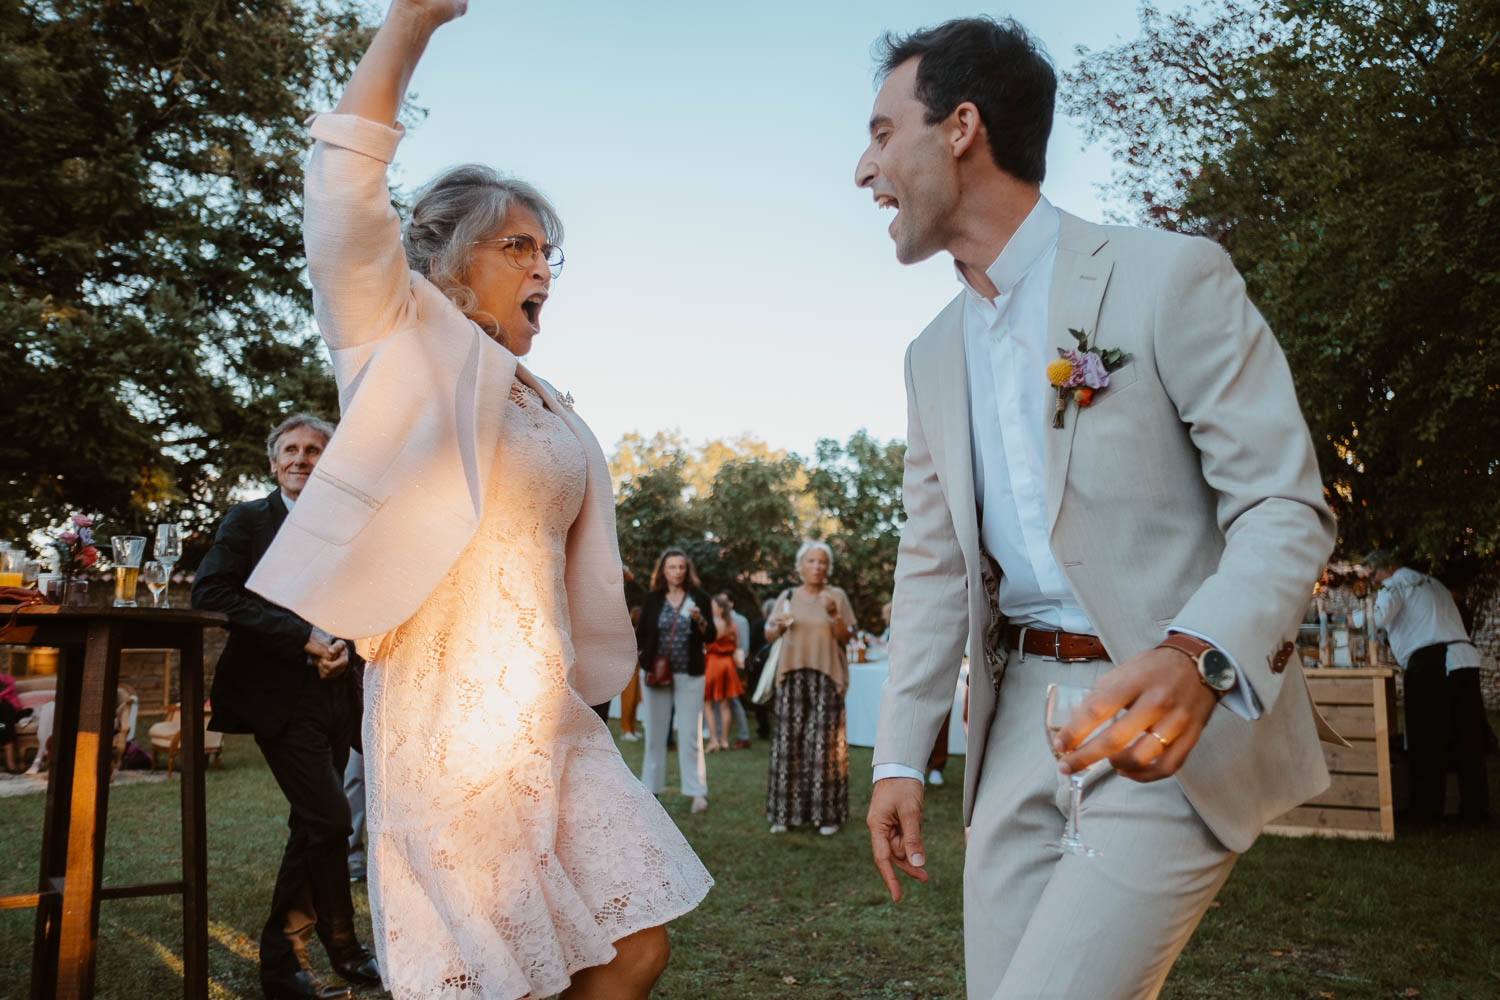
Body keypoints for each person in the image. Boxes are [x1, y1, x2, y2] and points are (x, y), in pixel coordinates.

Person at [855, 18, 1338, 998]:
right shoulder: (929, 356)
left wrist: (1196, 655)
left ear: (960, 128)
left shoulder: (1168, 277)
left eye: (879, 132)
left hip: (1166, 710)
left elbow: (1285, 506)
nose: (864, 169)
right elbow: (934, 567)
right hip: (1016, 726)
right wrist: (899, 759)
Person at [243, 4, 712, 997]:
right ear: (448, 264)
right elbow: (339, 195)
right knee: (500, 979)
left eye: (550, 251)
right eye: (518, 245)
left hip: (548, 714)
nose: (544, 266)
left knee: (635, 945)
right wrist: (410, 24)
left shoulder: (542, 395)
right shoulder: (399, 346)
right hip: (448, 723)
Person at [192, 412, 377, 1000]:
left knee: (313, 821)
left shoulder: (345, 526)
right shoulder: (248, 519)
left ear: (329, 463)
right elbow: (213, 592)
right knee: (329, 818)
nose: (301, 458)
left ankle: (334, 953)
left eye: (315, 450)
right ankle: (296, 957)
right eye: (291, 450)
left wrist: (340, 647)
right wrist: (303, 639)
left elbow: (362, 599)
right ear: (274, 463)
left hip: (336, 692)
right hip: (275, 695)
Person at [1368, 550, 1490, 824]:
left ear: (1388, 566)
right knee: (1467, 737)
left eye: (1374, 574)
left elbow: (1377, 617)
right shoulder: (1434, 583)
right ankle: (1475, 809)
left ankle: (1426, 809)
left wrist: (1352, 620)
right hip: (1464, 660)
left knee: (1426, 736)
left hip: (1431, 662)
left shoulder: (1396, 583)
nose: (1374, 581)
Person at [764, 541, 857, 836]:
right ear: (800, 567)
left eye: (822, 562)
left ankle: (826, 815)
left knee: (824, 747)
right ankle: (784, 814)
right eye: (812, 561)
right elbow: (769, 635)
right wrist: (777, 626)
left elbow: (845, 638)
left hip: (826, 678)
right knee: (786, 746)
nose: (818, 567)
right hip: (792, 677)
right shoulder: (787, 596)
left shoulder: (836, 596)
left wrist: (833, 615)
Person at [635, 549, 717, 812]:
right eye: (672, 567)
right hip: (656, 673)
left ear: (687, 570)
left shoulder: (699, 598)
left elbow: (711, 636)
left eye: (681, 567)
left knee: (691, 733)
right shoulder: (653, 599)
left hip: (689, 672)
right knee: (655, 734)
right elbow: (642, 634)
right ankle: (651, 789)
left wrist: (701, 621)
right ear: (663, 571)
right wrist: (643, 658)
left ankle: (697, 793)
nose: (677, 572)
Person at [703, 596, 745, 752]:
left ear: (720, 609)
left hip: (714, 664)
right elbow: (736, 646)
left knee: (707, 703)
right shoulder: (732, 625)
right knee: (725, 705)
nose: (710, 608)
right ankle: (724, 741)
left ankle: (714, 739)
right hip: (727, 665)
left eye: (712, 605)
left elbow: (707, 643)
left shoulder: (715, 624)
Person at [717, 591, 754, 749]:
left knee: (733, 700)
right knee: (719, 700)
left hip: (734, 666)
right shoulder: (717, 620)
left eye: (724, 602)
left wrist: (738, 664)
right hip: (719, 666)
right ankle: (719, 735)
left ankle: (744, 735)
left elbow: (744, 646)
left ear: (731, 603)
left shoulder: (740, 620)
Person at [745, 598, 776, 740]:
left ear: (765, 612)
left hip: (760, 665)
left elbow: (750, 645)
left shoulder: (758, 624)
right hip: (774, 664)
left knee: (759, 696)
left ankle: (764, 728)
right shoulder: (777, 625)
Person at [618, 606, 644, 741]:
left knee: (635, 699)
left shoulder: (638, 632)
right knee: (628, 700)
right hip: (628, 668)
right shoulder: (627, 632)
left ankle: (632, 728)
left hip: (636, 667)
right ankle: (626, 730)